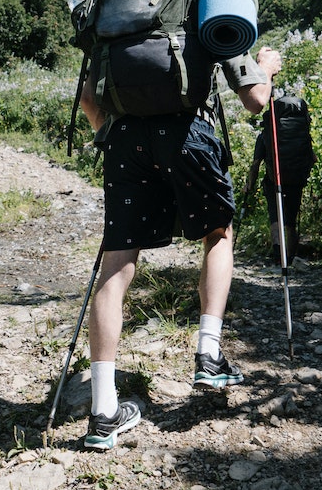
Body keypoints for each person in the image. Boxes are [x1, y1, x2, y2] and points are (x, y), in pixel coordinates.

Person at [77, 43, 282, 450]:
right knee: (218, 234)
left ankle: (103, 412)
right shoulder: (202, 3)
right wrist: (266, 68)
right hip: (188, 132)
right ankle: (208, 354)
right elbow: (256, 100)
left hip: (123, 139)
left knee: (116, 263)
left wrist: (118, 129)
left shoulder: (116, 9)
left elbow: (87, 97)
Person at [245, 93, 316, 264]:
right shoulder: (301, 133)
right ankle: (290, 257)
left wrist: (249, 185)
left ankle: (278, 255)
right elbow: (313, 158)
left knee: (275, 217)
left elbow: (256, 164)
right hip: (296, 179)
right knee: (290, 220)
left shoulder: (266, 136)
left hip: (274, 179)